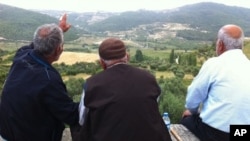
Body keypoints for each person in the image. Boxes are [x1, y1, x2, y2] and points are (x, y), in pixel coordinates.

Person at [0, 14, 79, 141]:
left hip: (6, 133)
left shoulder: (21, 55)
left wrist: (59, 30)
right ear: (59, 49)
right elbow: (71, 115)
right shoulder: (49, 79)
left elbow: (35, 45)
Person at [78, 38, 172, 141]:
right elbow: (153, 105)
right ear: (127, 57)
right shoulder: (149, 78)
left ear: (102, 63)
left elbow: (82, 119)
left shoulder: (91, 84)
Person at [180, 24, 250, 141]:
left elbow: (192, 99)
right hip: (242, 133)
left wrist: (191, 111)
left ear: (220, 45)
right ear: (241, 45)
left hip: (217, 134)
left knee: (186, 119)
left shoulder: (214, 64)